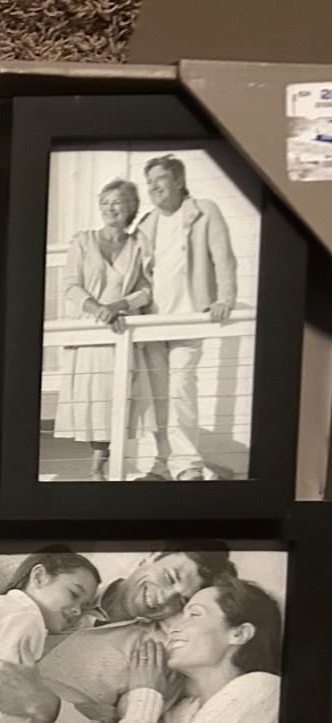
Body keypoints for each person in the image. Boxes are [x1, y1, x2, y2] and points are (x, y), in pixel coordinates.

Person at [0, 546, 238, 723]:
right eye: (169, 577)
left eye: (181, 601)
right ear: (151, 556)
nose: (163, 599)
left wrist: (51, 709)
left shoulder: (155, 659)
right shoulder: (62, 575)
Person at [135, 154, 239, 482]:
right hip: (153, 322)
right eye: (149, 182)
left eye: (160, 179)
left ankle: (188, 466)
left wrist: (224, 298)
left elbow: (223, 258)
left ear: (179, 180)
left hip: (189, 316)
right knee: (159, 394)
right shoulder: (147, 224)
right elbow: (139, 276)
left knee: (181, 387)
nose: (153, 187)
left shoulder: (204, 211)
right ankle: (164, 463)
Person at [52, 179, 155, 480]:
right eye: (105, 202)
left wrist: (120, 305)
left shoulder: (137, 245)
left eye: (117, 202)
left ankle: (102, 465)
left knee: (116, 398)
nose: (110, 208)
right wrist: (99, 309)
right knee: (94, 399)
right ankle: (97, 467)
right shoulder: (83, 241)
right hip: (90, 330)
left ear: (130, 207)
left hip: (120, 330)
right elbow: (70, 286)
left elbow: (146, 290)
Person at [113, 577, 283, 723]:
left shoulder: (263, 688)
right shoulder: (180, 714)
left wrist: (144, 697)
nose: (173, 629)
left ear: (239, 634)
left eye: (194, 614)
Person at [0, 550, 102, 723]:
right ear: (38, 577)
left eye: (84, 607)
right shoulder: (27, 617)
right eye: (74, 594)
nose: (78, 611)